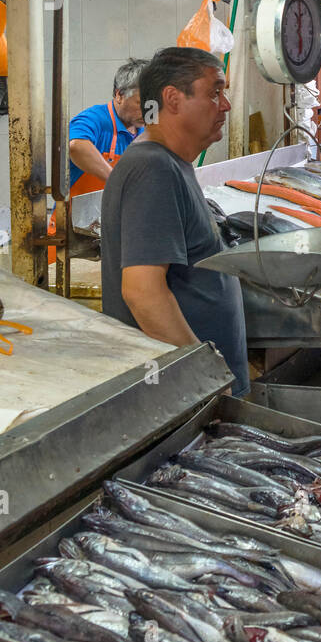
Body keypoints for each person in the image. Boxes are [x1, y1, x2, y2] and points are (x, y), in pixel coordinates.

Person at [100, 47, 250, 395]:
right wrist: (207, 375)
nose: (225, 105)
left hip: (197, 394)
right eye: (215, 92)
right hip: (182, 394)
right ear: (173, 99)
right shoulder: (152, 168)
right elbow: (142, 292)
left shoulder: (172, 164)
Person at [67, 59, 146, 192]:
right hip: (74, 212)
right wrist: (119, 182)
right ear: (119, 95)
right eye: (140, 103)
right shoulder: (95, 118)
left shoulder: (145, 131)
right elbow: (76, 146)